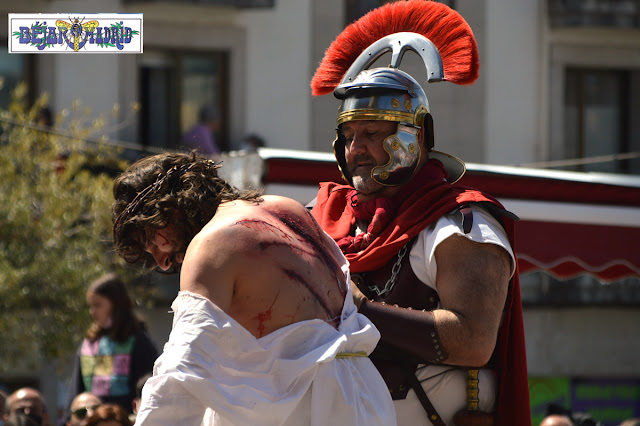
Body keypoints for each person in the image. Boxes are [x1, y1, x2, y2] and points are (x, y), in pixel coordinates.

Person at [309, 1, 530, 425]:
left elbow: (472, 340)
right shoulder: (325, 220)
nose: (356, 150)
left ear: (416, 136)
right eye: (349, 135)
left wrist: (361, 311)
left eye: (372, 133)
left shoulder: (462, 225)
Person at [110, 151, 396, 425]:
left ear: (169, 209)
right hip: (364, 398)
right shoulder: (286, 207)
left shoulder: (210, 246)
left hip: (308, 410)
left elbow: (181, 375)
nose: (161, 262)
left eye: (152, 240)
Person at [69, 274, 158, 414]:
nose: (92, 312)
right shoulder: (89, 342)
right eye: (90, 306)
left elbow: (147, 387)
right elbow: (77, 389)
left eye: (98, 305)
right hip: (92, 420)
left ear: (116, 304)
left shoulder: (139, 340)